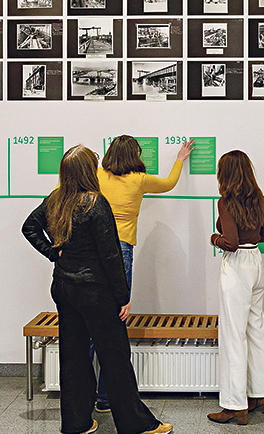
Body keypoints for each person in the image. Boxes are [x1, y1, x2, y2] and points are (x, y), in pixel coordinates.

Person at [22, 144, 172, 434]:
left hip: (64, 289)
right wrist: (123, 296)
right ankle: (135, 425)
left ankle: (77, 423)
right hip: (95, 293)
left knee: (73, 358)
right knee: (115, 359)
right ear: (87, 171)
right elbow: (111, 256)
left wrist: (54, 254)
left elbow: (29, 227)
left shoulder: (56, 199)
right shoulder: (95, 203)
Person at [91, 135, 195, 412]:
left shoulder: (97, 175)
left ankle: (83, 397)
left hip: (93, 250)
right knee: (115, 325)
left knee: (90, 324)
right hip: (121, 251)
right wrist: (179, 159)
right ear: (134, 156)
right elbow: (170, 184)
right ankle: (104, 398)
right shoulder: (139, 179)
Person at [207, 150, 264, 425]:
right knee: (256, 329)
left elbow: (231, 243)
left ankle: (235, 405)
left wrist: (214, 238)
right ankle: (262, 395)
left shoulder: (226, 202)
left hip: (236, 266)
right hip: (256, 262)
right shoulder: (259, 197)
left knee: (233, 336)